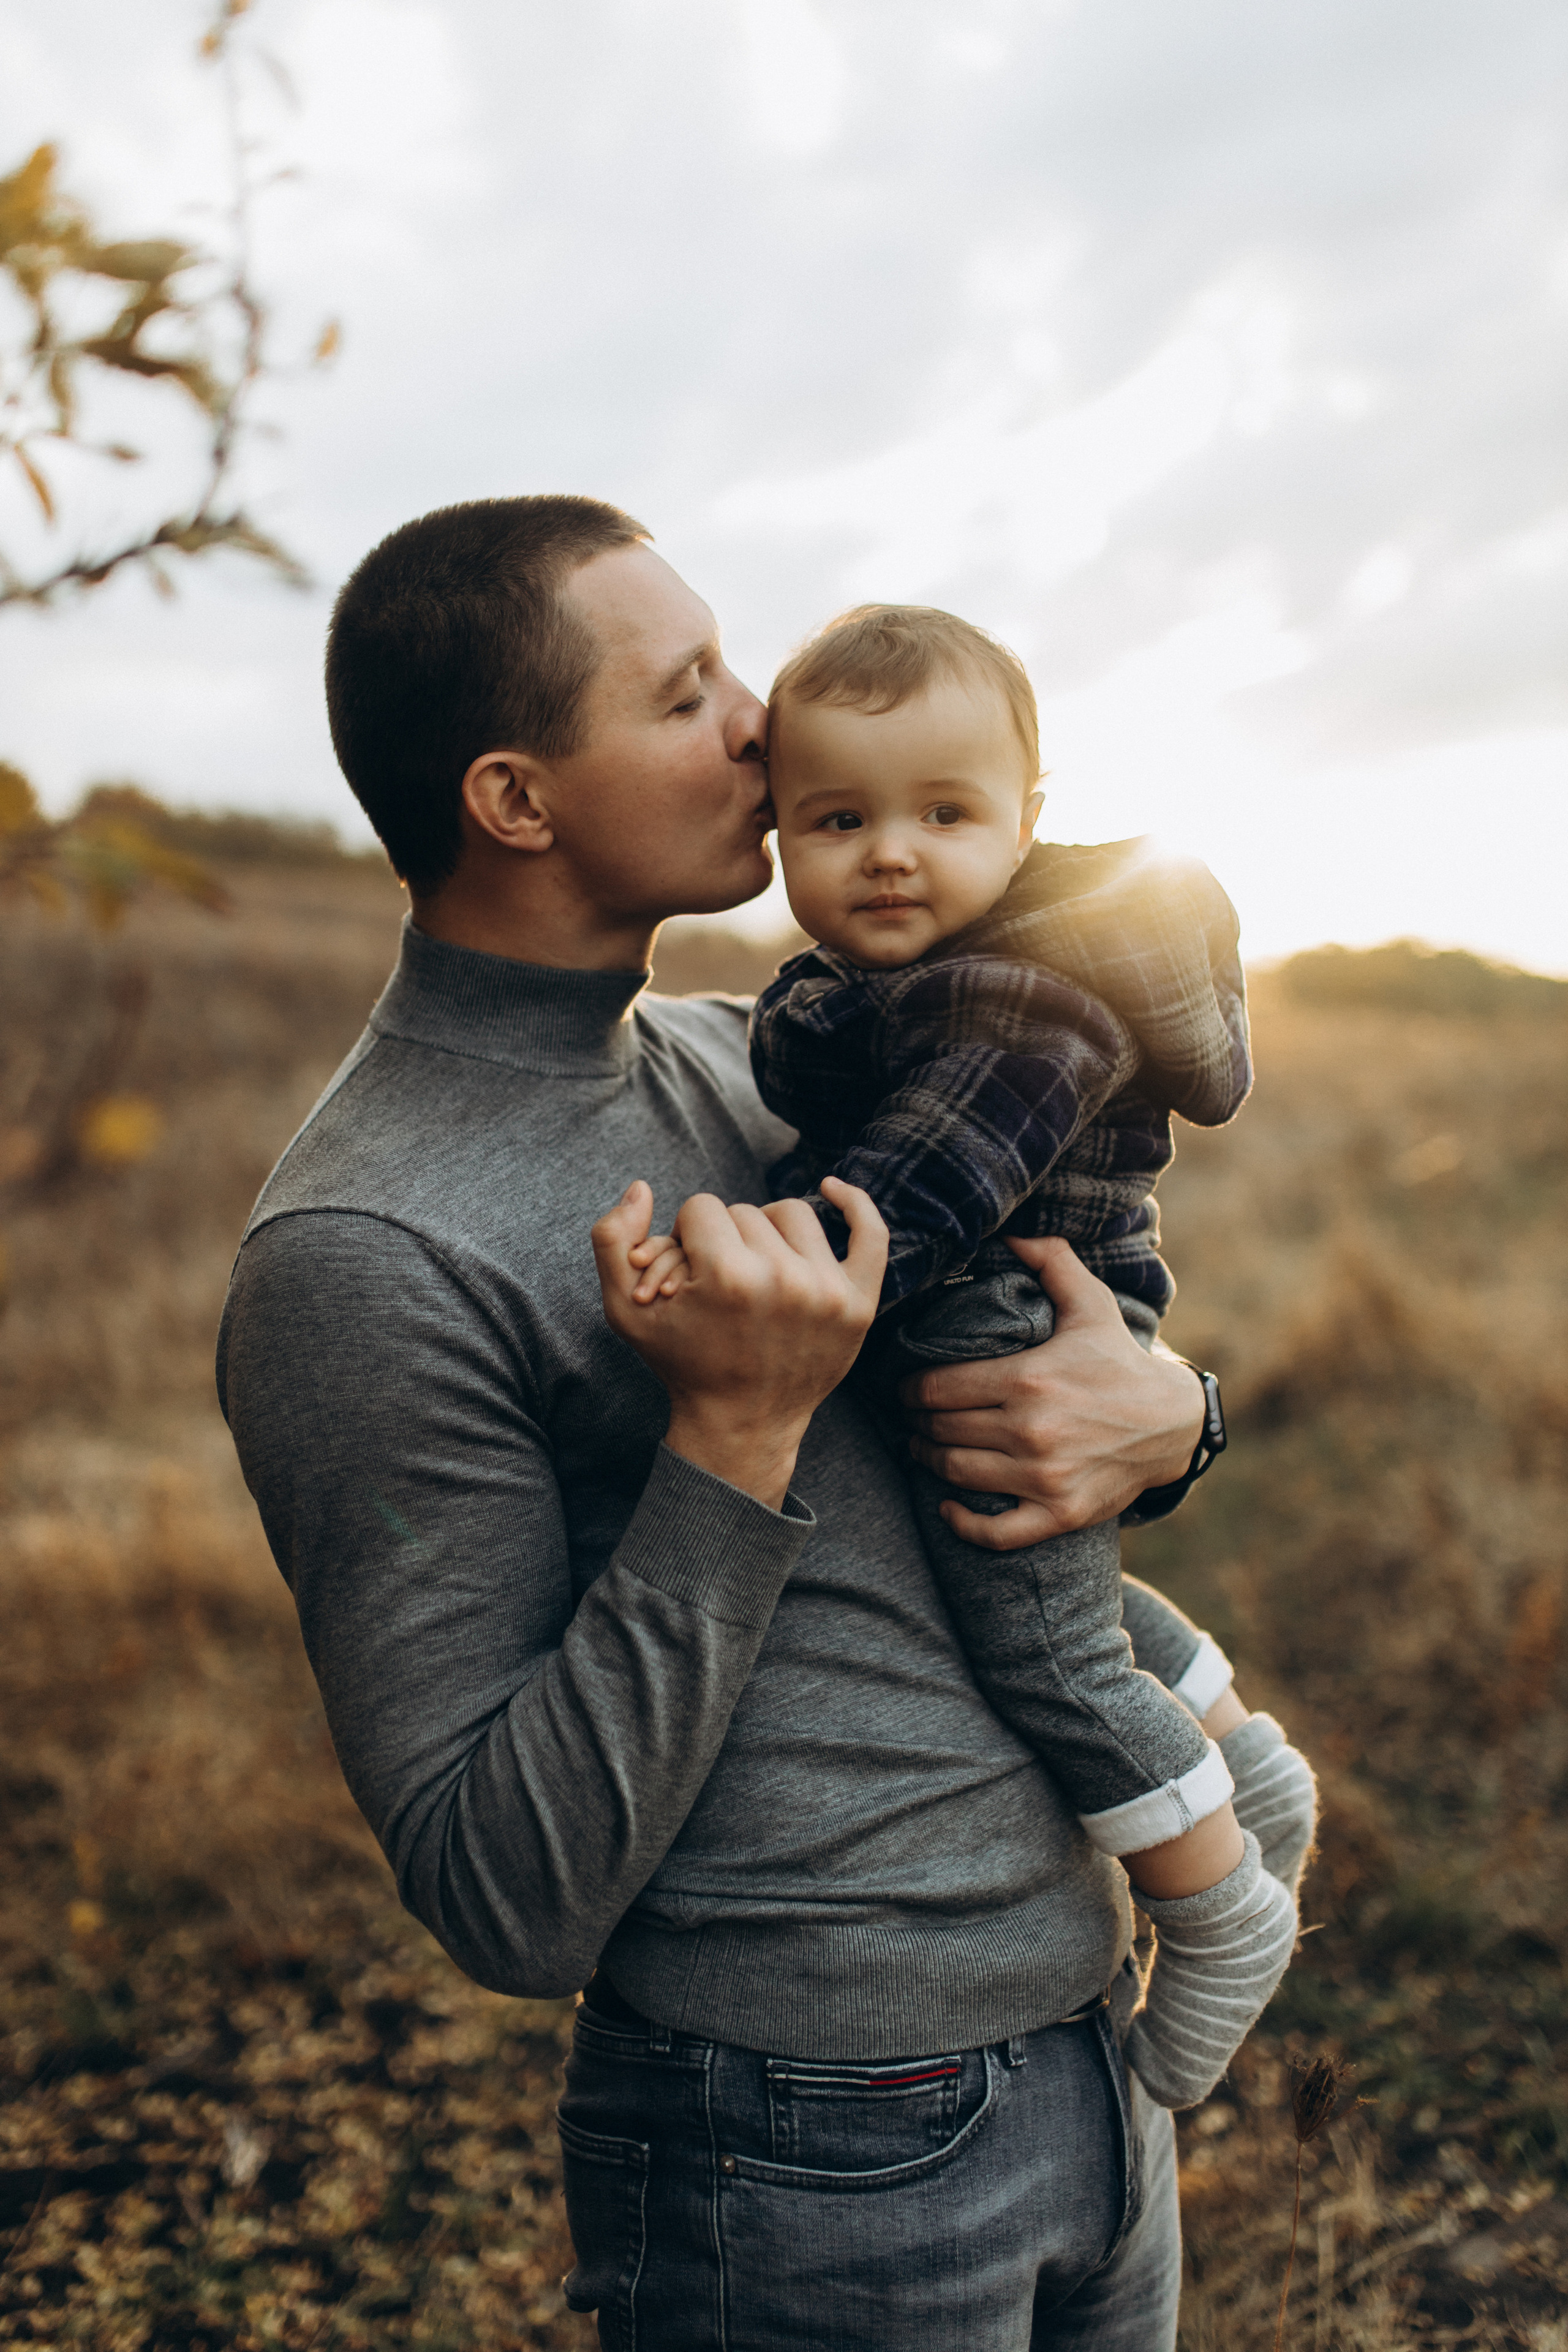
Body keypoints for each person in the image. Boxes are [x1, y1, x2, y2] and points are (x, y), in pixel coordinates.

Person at [216, 496, 1301, 2350]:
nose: (761, 718)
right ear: (517, 800)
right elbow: (506, 1896)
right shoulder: (362, 1255)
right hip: (799, 2160)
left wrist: (1166, 1419)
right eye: (687, 689)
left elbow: (1024, 1411)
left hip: (1098, 2064)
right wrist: (726, 1439)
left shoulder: (774, 1057)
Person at [617, 603, 1313, 2111]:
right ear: (778, 830)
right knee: (1059, 1592)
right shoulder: (901, 977)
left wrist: (728, 1259)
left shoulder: (1019, 997)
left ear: (1027, 822)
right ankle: (1242, 1771)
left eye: (945, 814)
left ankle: (1219, 1913)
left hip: (988, 1311)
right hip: (990, 1310)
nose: (888, 852)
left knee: (1048, 1650)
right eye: (837, 816)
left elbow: (902, 1204)